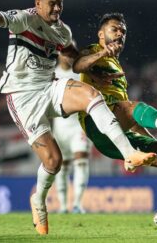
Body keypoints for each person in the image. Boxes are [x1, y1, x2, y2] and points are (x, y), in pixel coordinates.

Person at [0, 0, 156, 235]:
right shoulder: (23, 20)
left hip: (49, 87)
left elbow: (75, 61)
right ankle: (38, 200)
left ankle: (129, 153)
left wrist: (98, 63)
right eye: (52, 3)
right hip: (22, 98)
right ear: (38, 3)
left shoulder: (62, 32)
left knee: (91, 95)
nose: (57, 8)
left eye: (60, 2)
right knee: (54, 161)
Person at [73, 12, 157, 231]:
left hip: (118, 134)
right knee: (127, 106)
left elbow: (131, 119)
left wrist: (151, 144)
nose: (120, 33)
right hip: (97, 126)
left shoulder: (118, 69)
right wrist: (102, 51)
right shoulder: (92, 51)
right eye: (115, 29)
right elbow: (78, 66)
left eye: (123, 31)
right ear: (101, 34)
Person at [52, 54, 91, 214]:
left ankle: (77, 204)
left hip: (78, 126)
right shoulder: (51, 74)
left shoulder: (81, 75)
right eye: (64, 54)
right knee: (61, 166)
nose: (67, 57)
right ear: (59, 55)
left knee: (81, 161)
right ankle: (62, 206)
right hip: (59, 127)